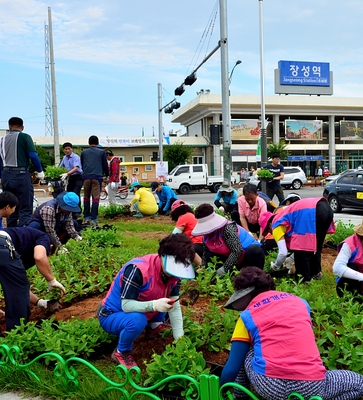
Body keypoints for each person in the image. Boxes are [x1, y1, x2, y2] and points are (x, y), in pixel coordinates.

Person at [220, 267, 363, 400]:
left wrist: (220, 390)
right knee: (357, 383)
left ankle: (241, 397)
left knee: (244, 349)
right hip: (311, 386)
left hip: (270, 386)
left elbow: (232, 368)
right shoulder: (300, 303)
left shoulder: (247, 316)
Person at [97, 233, 196, 369]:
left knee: (166, 302)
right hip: (113, 313)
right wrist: (154, 305)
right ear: (162, 255)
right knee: (138, 320)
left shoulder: (174, 276)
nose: (175, 274)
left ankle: (154, 327)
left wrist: (179, 338)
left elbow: (174, 305)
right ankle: (121, 351)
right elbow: (126, 305)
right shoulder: (138, 270)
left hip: (143, 308)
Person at [0, 228, 67, 345]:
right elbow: (39, 257)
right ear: (50, 247)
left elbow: (18, 285)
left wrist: (39, 302)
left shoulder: (21, 242)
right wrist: (51, 280)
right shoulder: (43, 237)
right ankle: (17, 339)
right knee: (16, 296)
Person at [261, 197, 333, 284]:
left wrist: (276, 266)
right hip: (325, 208)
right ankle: (316, 274)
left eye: (268, 231)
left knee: (301, 249)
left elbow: (283, 252)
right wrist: (291, 258)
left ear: (269, 224)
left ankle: (304, 280)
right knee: (316, 245)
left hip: (312, 212)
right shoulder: (284, 216)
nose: (270, 233)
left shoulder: (276, 224)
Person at [0, 118, 45, 227]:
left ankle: (11, 236)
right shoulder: (25, 137)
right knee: (25, 209)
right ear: (22, 127)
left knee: (10, 208)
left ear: (9, 127)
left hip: (6, 175)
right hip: (21, 175)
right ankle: (23, 236)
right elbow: (33, 156)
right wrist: (40, 171)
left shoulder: (1, 140)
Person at [192, 203, 265, 275]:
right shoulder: (206, 236)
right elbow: (206, 252)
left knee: (255, 250)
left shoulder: (227, 229)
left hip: (246, 258)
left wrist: (224, 269)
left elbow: (237, 251)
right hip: (230, 260)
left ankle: (252, 276)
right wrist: (203, 267)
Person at [80, 136, 108, 226]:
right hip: (97, 177)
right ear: (97, 142)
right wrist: (107, 174)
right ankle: (94, 218)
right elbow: (105, 164)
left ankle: (86, 217)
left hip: (86, 177)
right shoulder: (102, 152)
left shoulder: (84, 152)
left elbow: (82, 164)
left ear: (89, 143)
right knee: (96, 198)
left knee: (86, 197)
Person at [59, 142, 83, 219]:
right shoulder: (64, 158)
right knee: (69, 194)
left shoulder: (76, 157)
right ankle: (71, 212)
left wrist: (67, 174)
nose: (67, 150)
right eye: (66, 149)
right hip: (71, 178)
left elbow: (76, 168)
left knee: (75, 193)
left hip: (78, 177)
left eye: (69, 149)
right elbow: (60, 167)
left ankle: (78, 212)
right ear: (63, 150)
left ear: (71, 149)